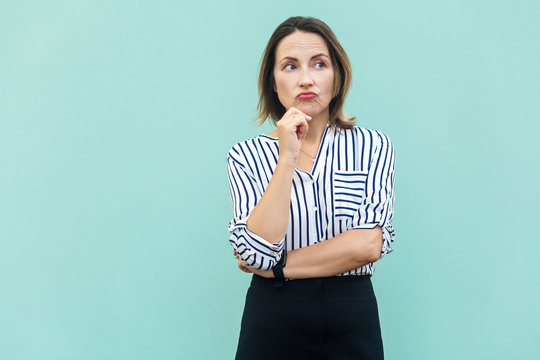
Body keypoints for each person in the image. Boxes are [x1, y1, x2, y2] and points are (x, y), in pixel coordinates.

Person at [226, 16, 395, 360]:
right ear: (273, 82)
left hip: (352, 315)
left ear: (337, 75)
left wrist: (275, 266)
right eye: (290, 66)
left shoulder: (373, 146)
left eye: (319, 64)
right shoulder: (245, 156)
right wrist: (286, 156)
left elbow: (367, 245)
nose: (306, 79)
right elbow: (255, 251)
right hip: (273, 317)